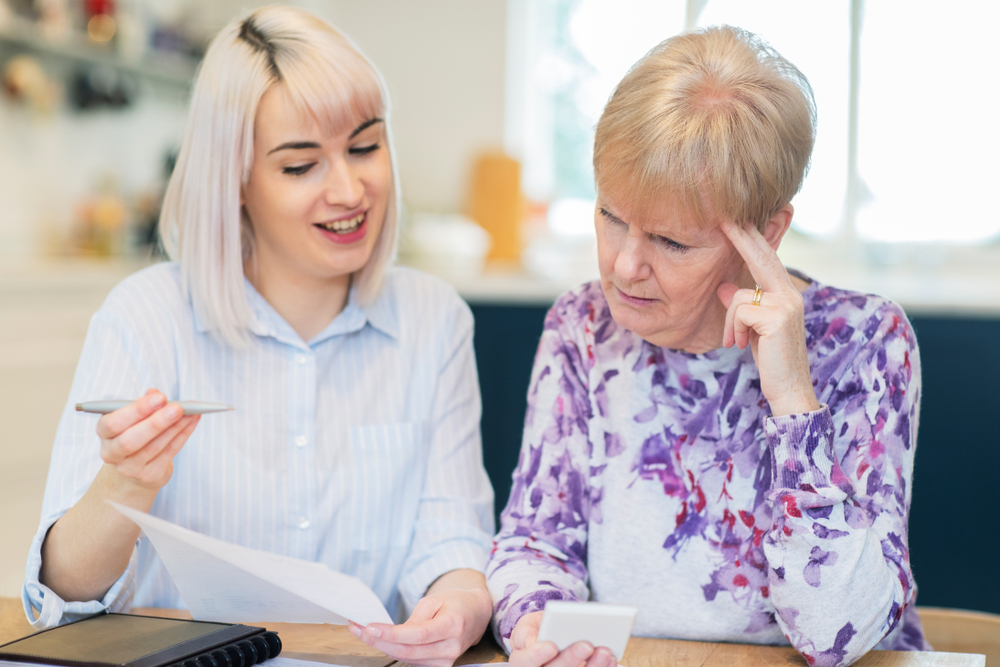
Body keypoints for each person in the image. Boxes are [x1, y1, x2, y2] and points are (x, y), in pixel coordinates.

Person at [23, 7, 494, 666]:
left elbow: (451, 542)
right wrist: (124, 484)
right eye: (301, 165)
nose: (349, 188)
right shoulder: (145, 316)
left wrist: (460, 605)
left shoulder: (434, 319)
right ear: (235, 181)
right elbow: (65, 596)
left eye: (365, 146)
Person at [486, 26, 927, 667]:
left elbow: (841, 634)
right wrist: (537, 630)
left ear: (767, 234)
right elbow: (535, 543)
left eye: (671, 242)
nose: (625, 265)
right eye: (611, 216)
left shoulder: (867, 342)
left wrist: (792, 399)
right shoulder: (582, 325)